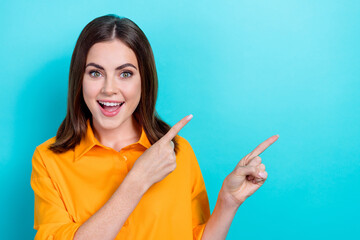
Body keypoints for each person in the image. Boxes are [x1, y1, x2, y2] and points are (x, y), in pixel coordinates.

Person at [30, 14, 279, 240]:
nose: (109, 89)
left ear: (144, 81)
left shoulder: (178, 153)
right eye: (95, 73)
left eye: (125, 74)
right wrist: (137, 181)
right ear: (79, 79)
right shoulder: (49, 160)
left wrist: (228, 201)